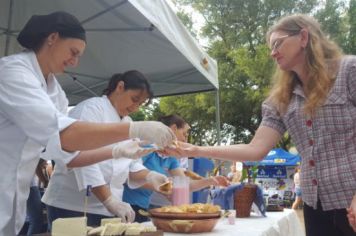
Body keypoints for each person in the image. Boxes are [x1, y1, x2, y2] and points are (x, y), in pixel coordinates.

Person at [165, 14, 356, 236]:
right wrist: (195, 150)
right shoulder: (280, 99)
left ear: (303, 37)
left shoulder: (349, 72)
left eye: (277, 43)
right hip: (316, 207)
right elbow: (255, 149)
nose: (272, 52)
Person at [0, 11, 175, 235]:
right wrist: (134, 130)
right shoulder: (13, 72)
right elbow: (66, 137)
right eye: (73, 52)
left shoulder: (56, 93)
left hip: (15, 194)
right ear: (52, 38)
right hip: (62, 200)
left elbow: (72, 155)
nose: (74, 62)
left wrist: (118, 154)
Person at [43, 71, 169, 228]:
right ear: (120, 86)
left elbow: (132, 164)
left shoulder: (127, 121)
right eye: (134, 99)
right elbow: (84, 161)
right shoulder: (91, 109)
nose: (135, 107)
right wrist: (109, 200)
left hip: (108, 208)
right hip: (72, 205)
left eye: (140, 104)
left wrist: (150, 176)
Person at [123, 114, 229, 223]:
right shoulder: (146, 148)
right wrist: (161, 187)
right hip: (125, 205)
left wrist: (210, 181)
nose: (185, 138)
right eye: (184, 133)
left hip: (143, 206)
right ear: (173, 129)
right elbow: (128, 175)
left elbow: (185, 184)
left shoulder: (171, 158)